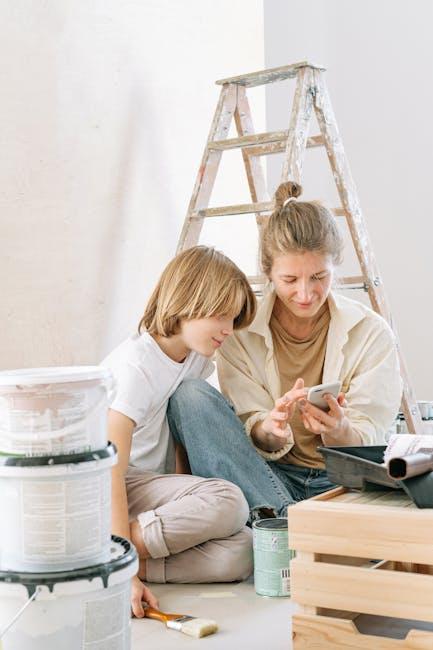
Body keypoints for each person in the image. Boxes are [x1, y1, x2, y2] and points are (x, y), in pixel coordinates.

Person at [168, 181, 402, 519]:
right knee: (189, 396)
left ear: (334, 266)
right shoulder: (240, 333)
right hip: (266, 478)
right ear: (269, 273)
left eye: (319, 277)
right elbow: (249, 430)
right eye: (290, 280)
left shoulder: (371, 333)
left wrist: (339, 430)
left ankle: (278, 528)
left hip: (341, 483)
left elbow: (370, 440)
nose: (306, 294)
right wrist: (270, 430)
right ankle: (293, 524)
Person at [102, 245, 256, 618]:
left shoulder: (195, 357)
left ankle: (108, 561)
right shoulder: (136, 367)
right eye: (221, 315)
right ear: (186, 301)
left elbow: (178, 435)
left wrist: (186, 499)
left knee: (243, 553)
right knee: (231, 501)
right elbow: (110, 469)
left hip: (149, 491)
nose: (227, 329)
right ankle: (114, 557)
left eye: (233, 318)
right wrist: (124, 566)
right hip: (111, 491)